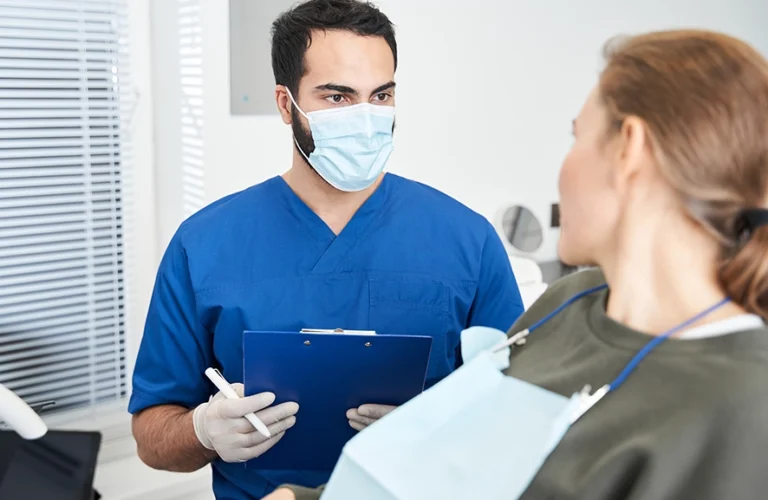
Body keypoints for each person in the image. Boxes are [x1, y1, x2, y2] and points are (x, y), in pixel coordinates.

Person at [269, 28, 768, 500]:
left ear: (630, 149)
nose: (563, 168)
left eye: (577, 137)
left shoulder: (744, 402)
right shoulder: (570, 302)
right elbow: (463, 468)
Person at [129, 0, 524, 498]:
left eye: (380, 95)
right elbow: (151, 437)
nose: (364, 118)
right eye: (337, 97)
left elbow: (526, 414)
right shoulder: (204, 244)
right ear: (284, 103)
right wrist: (203, 432)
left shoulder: (466, 238)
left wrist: (441, 430)